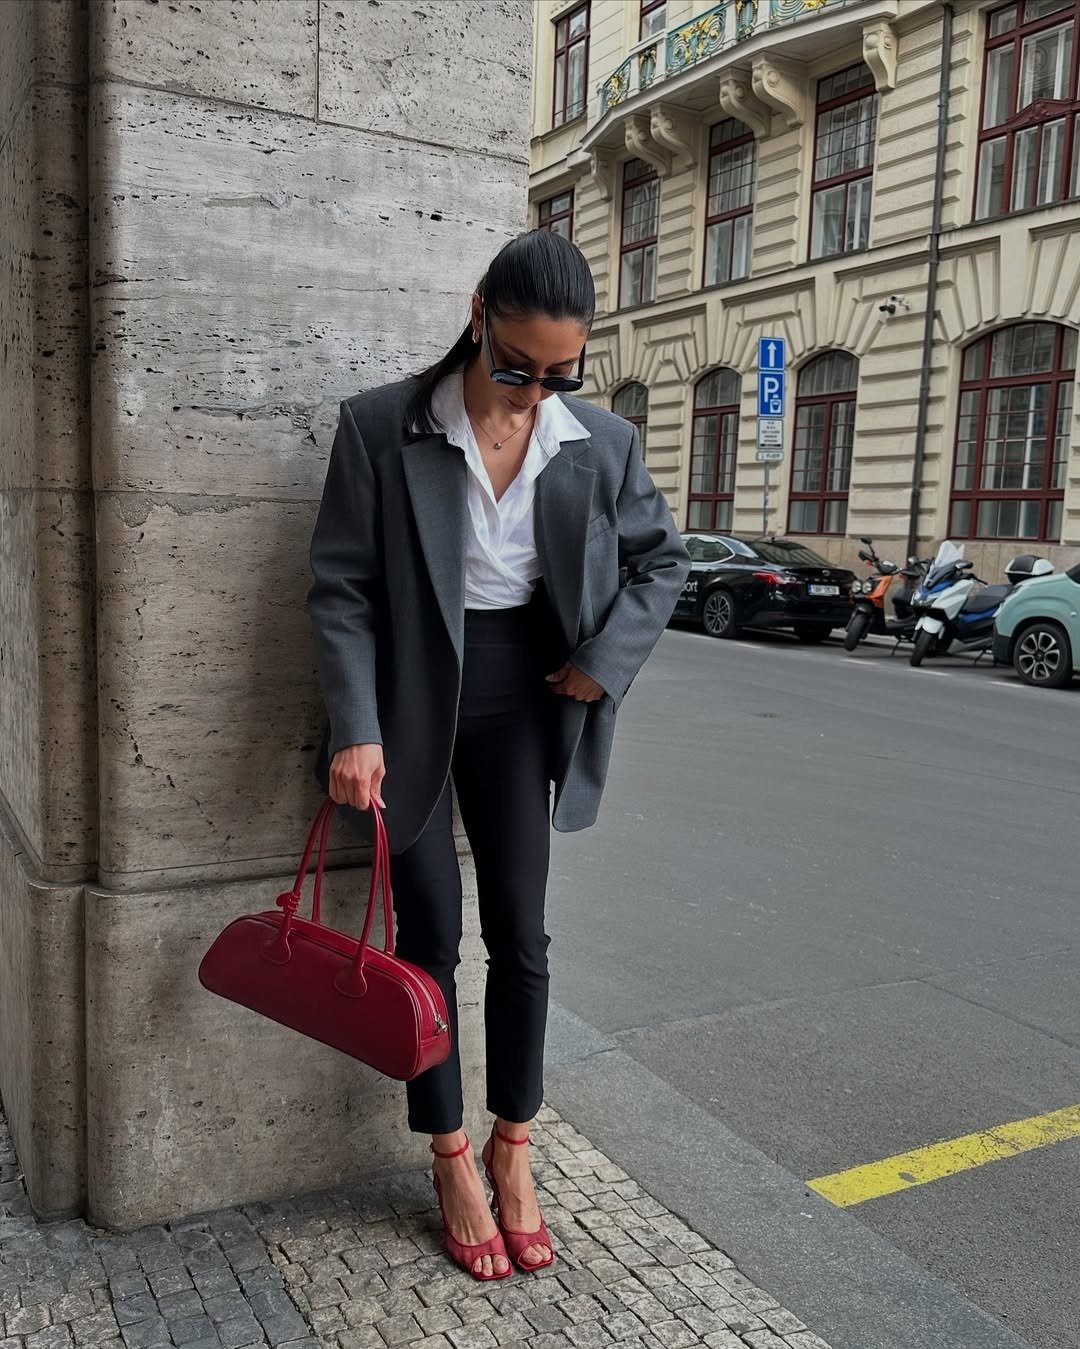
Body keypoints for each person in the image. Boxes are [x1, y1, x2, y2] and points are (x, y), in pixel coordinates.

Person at [307, 230, 690, 1282]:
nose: (531, 393)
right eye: (516, 365)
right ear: (478, 314)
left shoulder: (598, 441)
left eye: (558, 374)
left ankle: (513, 1144)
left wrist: (602, 662)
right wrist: (356, 724)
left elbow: (665, 560)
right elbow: (341, 587)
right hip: (416, 700)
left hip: (527, 696)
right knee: (429, 939)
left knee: (522, 933)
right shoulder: (383, 426)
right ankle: (446, 1154)